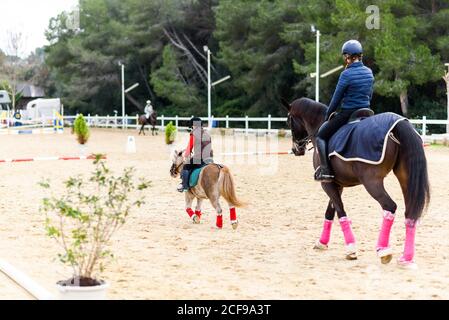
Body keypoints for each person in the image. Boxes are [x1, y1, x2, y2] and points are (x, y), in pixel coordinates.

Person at [315, 40, 374, 183]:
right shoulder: (369, 71)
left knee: (321, 136)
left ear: (347, 56)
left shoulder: (346, 74)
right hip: (366, 111)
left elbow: (336, 99)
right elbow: (370, 94)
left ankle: (325, 170)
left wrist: (327, 115)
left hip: (349, 113)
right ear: (360, 55)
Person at [177, 117, 214, 192]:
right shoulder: (207, 133)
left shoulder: (194, 133)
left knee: (186, 167)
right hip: (209, 158)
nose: (192, 127)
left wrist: (185, 156)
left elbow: (189, 147)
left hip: (199, 158)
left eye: (192, 126)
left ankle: (185, 186)